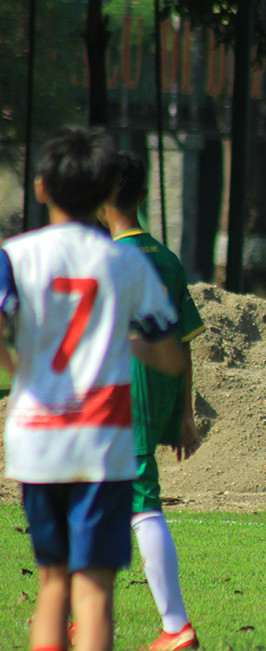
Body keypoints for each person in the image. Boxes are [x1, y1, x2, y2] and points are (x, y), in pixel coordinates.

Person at [0, 127, 184, 651]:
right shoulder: (126, 262)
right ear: (107, 191)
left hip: (36, 435)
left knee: (51, 583)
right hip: (102, 441)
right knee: (95, 594)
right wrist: (136, 345)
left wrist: (19, 371)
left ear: (40, 188)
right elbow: (168, 354)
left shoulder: (16, 254)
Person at [98, 151, 205, 651]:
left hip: (125, 392)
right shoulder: (166, 258)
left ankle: (175, 625)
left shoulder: (109, 261)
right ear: (142, 195)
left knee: (141, 500)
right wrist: (184, 413)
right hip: (159, 390)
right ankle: (90, 615)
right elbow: (184, 341)